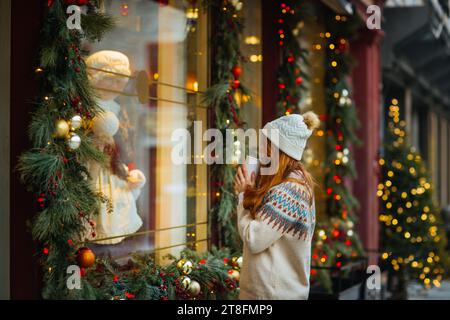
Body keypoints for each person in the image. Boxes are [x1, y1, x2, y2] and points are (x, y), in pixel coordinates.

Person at [233, 111, 320, 300]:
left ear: (278, 151)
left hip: (273, 296)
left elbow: (254, 239)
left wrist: (242, 195)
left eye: (266, 145)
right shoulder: (285, 185)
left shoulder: (289, 192)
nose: (262, 150)